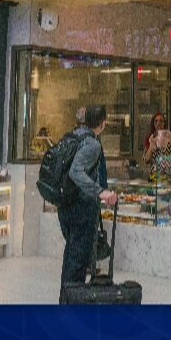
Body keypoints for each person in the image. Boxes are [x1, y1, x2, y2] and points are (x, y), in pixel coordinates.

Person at [58, 104, 118, 301]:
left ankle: (65, 301)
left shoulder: (74, 135)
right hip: (81, 209)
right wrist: (100, 192)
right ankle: (71, 310)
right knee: (77, 262)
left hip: (66, 206)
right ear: (102, 123)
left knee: (71, 258)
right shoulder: (92, 144)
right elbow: (76, 172)